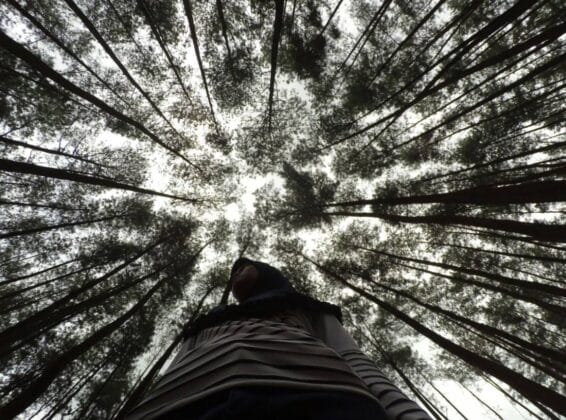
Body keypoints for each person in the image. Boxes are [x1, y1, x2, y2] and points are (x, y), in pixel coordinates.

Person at [125, 258, 432, 420]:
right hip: (181, 405)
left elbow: (352, 357)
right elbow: (175, 368)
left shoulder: (305, 307)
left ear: (266, 272)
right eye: (231, 274)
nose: (235, 277)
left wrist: (406, 412)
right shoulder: (206, 322)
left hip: (322, 396)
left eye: (243, 268)